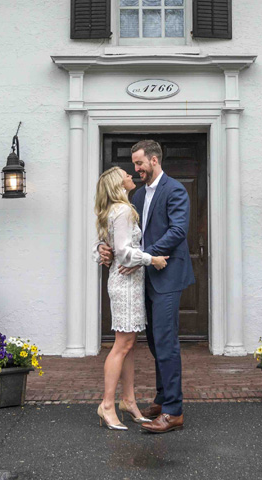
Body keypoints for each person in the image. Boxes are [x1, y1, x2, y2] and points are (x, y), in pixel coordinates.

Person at [98, 139, 193, 434]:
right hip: (144, 280)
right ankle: (163, 399)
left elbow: (178, 230)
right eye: (134, 164)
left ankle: (174, 411)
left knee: (166, 342)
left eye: (139, 163)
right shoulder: (136, 197)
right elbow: (122, 235)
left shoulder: (175, 189)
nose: (135, 168)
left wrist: (144, 258)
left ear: (154, 160)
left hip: (167, 276)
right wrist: (104, 246)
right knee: (153, 342)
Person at [92, 166, 167, 431]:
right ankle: (107, 405)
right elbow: (123, 253)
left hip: (129, 282)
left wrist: (102, 250)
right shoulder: (122, 210)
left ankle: (129, 401)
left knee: (130, 343)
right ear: (117, 184)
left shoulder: (116, 209)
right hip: (125, 282)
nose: (130, 176)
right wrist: (151, 259)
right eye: (126, 175)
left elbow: (107, 245)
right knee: (122, 344)